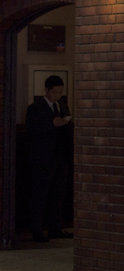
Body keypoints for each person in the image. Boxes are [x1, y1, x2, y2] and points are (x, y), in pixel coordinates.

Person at [26, 75, 73, 242]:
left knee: (58, 194)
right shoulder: (36, 108)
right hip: (43, 158)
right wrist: (52, 124)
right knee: (40, 194)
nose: (57, 96)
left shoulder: (63, 107)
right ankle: (37, 230)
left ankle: (55, 227)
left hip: (60, 157)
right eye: (54, 92)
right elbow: (31, 129)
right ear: (46, 91)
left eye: (60, 92)